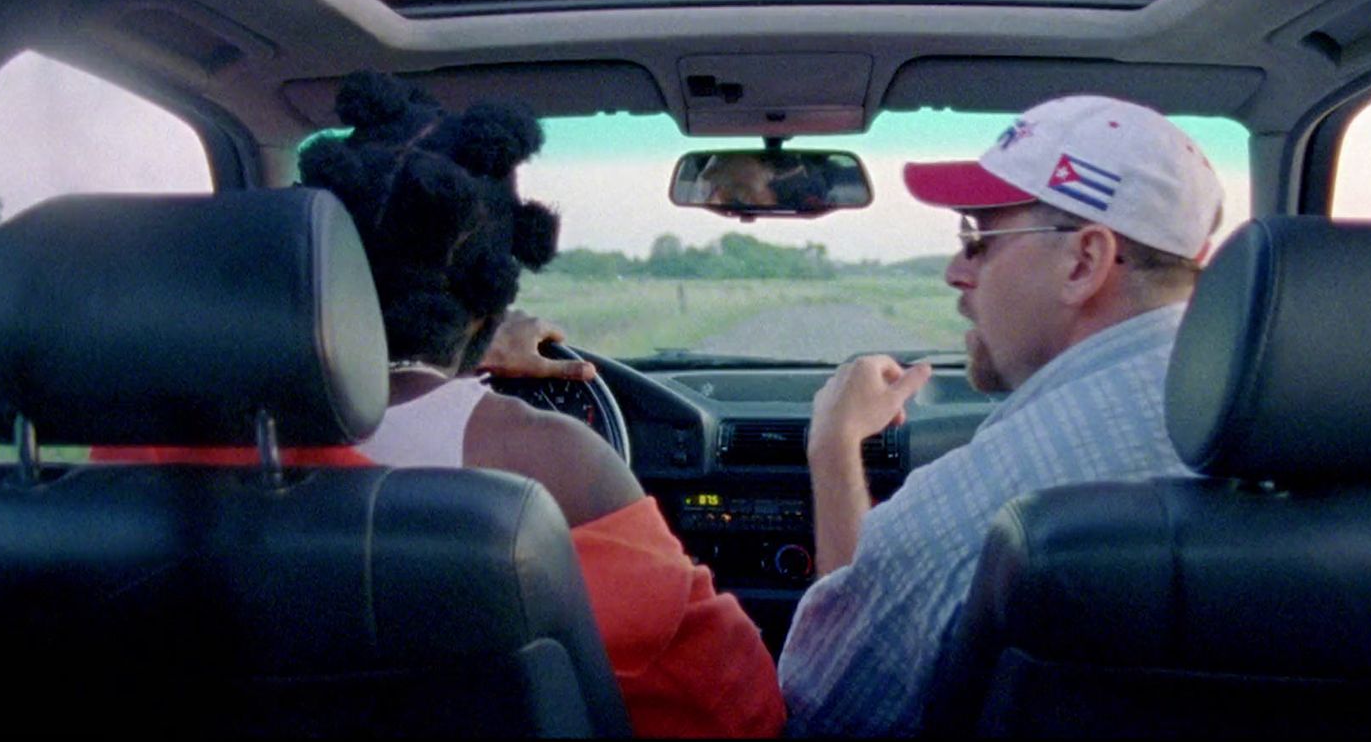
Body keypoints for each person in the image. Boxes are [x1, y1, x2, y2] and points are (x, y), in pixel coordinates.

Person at [97, 70, 785, 738]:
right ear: (496, 286)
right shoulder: (552, 465)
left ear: (303, 258)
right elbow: (737, 714)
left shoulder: (133, 456)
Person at [774, 94, 1226, 735]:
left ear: (1083, 262)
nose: (956, 271)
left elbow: (824, 714)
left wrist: (834, 449)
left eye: (977, 238)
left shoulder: (985, 504)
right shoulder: (1313, 445)